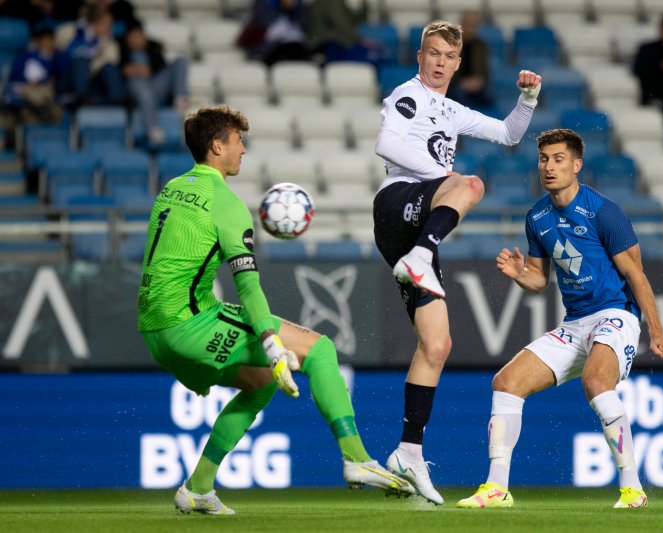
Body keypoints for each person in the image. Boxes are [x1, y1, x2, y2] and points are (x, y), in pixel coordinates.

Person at [137, 105, 414, 515]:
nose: (243, 150)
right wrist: (270, 344)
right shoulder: (225, 205)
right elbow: (247, 285)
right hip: (189, 324)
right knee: (319, 350)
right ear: (217, 146)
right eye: (237, 141)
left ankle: (197, 487)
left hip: (153, 330)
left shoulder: (170, 189)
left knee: (261, 382)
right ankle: (357, 458)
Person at [456, 128, 663, 510]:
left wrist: (656, 331)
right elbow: (539, 281)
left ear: (577, 165)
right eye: (543, 159)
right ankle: (496, 488)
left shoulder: (604, 211)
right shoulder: (536, 216)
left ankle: (632, 488)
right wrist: (519, 274)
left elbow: (636, 274)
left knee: (595, 381)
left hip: (615, 313)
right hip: (575, 323)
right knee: (506, 382)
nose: (549, 166)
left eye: (558, 159)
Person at [372, 19, 542, 505]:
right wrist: (443, 174)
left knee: (438, 344)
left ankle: (408, 452)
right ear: (420, 56)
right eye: (433, 53)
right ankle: (423, 254)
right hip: (397, 202)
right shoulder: (408, 94)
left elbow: (510, 134)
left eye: (449, 55)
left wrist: (527, 100)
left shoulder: (452, 109)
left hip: (417, 220)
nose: (440, 62)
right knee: (471, 184)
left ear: (458, 63)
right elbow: (386, 145)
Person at [119, 20, 189, 145]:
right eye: (133, 36)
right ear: (127, 38)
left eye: (139, 35)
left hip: (154, 85)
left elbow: (160, 68)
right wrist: (139, 70)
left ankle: (180, 99)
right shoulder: (121, 49)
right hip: (134, 88)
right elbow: (121, 70)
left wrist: (139, 69)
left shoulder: (154, 47)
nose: (136, 39)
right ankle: (152, 128)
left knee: (181, 61)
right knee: (142, 88)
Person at [4, 22, 66, 124]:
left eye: (50, 40)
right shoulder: (26, 56)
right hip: (25, 87)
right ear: (38, 41)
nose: (47, 44)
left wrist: (51, 57)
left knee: (45, 94)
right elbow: (16, 76)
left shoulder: (57, 57)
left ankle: (32, 114)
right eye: (45, 40)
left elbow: (59, 75)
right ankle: (39, 113)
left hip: (45, 89)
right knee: (36, 96)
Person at [448, 10, 493, 110]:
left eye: (473, 25)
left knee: (488, 99)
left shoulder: (481, 46)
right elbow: (445, 72)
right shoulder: (451, 45)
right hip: (455, 86)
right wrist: (462, 83)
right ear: (461, 25)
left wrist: (479, 81)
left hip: (476, 87)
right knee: (459, 99)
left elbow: (485, 73)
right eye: (467, 24)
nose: (469, 28)